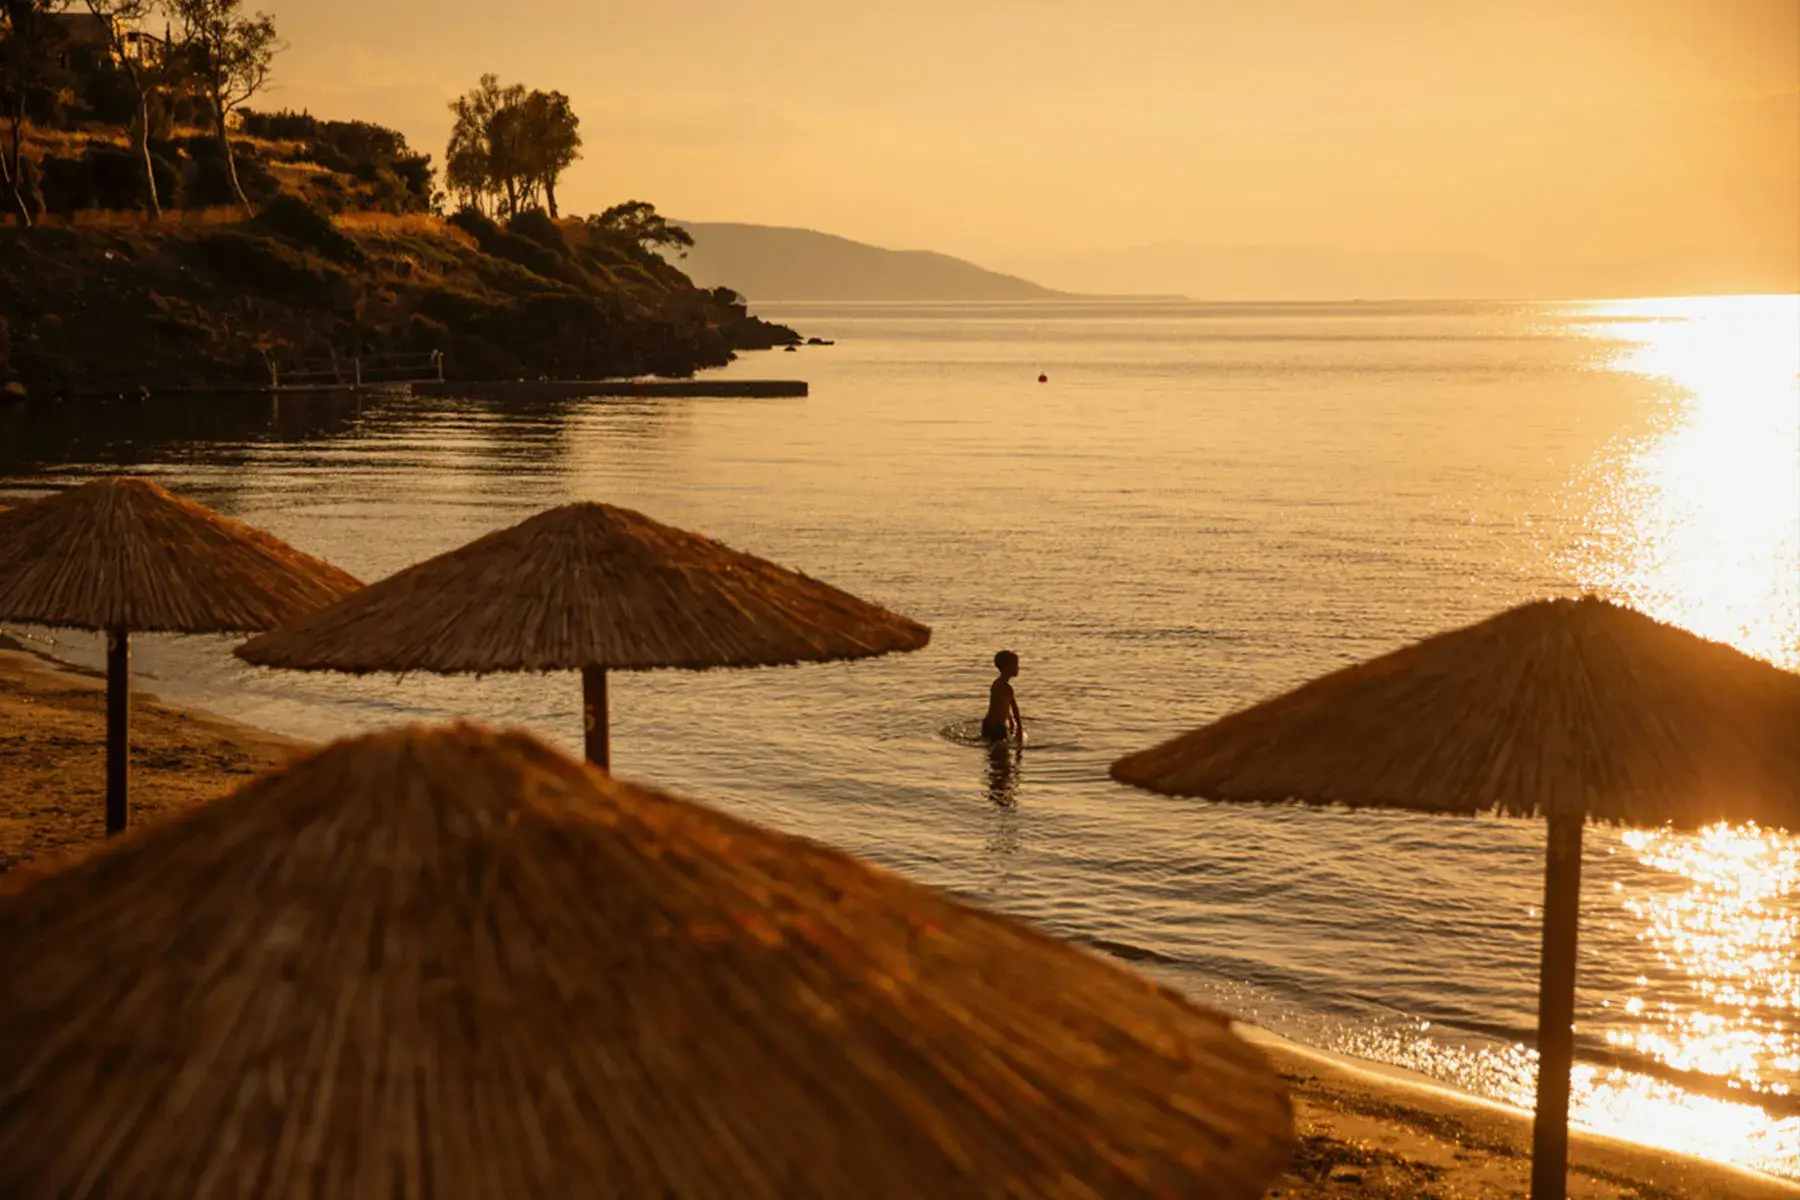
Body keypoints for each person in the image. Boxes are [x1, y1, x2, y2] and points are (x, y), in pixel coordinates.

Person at [981, 650, 1023, 743]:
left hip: (987, 723)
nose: (1018, 668)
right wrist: (1020, 728)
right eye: (1016, 665)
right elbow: (1015, 709)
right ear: (1008, 668)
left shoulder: (996, 683)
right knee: (1002, 750)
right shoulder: (1007, 688)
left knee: (989, 746)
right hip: (998, 726)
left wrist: (1011, 721)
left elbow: (1002, 705)